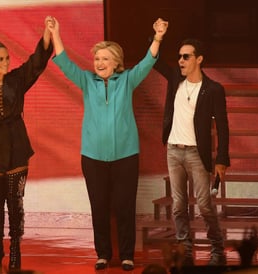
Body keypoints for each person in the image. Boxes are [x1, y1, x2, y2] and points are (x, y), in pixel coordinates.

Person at [46, 17, 168, 271]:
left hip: (126, 156)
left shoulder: (127, 81)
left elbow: (148, 62)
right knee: (99, 208)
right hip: (92, 157)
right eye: (97, 59)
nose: (99, 63)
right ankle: (102, 254)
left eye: (104, 59)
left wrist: (157, 36)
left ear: (116, 63)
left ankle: (126, 255)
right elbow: (65, 63)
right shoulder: (86, 82)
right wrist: (55, 32)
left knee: (125, 207)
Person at [0, 16, 53, 272]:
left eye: (7, 58)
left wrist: (47, 34)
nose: (5, 63)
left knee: (15, 203)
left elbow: (36, 63)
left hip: (16, 146)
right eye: (0, 59)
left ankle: (15, 253)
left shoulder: (16, 80)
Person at [154, 38, 230, 266]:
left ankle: (217, 249)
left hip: (197, 153)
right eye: (179, 56)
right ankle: (184, 249)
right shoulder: (176, 79)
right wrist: (157, 37)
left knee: (205, 205)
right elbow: (155, 60)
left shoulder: (213, 89)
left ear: (199, 59)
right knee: (178, 205)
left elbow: (223, 127)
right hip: (174, 151)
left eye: (186, 56)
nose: (180, 60)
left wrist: (221, 159)